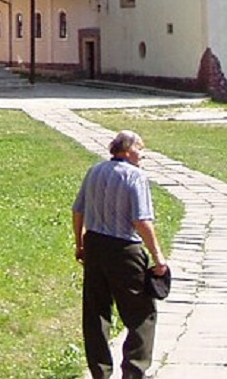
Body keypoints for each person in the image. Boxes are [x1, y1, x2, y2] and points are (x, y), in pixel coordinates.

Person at [72, 129, 169, 379]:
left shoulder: (94, 171)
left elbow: (78, 210)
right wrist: (158, 258)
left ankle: (100, 373)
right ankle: (134, 372)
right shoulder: (136, 177)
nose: (143, 154)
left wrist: (80, 244)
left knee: (96, 312)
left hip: (94, 245)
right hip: (125, 250)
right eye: (140, 148)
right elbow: (141, 220)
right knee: (141, 314)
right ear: (126, 150)